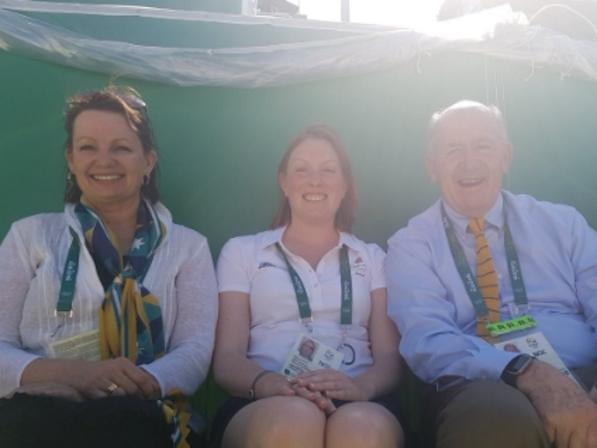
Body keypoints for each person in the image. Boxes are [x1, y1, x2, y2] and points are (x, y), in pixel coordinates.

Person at [0, 86, 218, 448]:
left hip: (146, 413)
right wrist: (75, 377)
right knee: (29, 421)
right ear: (71, 159)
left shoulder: (188, 247)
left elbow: (194, 352)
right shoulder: (29, 236)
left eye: (121, 147)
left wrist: (122, 386)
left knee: (126, 421)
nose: (104, 160)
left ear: (147, 161)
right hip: (39, 410)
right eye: (88, 147)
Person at [385, 100, 597, 448]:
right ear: (432, 167)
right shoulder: (411, 245)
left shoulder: (563, 223)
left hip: (585, 366)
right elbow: (428, 341)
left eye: (483, 146)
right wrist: (525, 370)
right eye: (453, 150)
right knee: (493, 423)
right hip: (486, 381)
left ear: (506, 157)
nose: (470, 163)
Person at [213, 125, 403, 448]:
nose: (315, 180)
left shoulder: (373, 258)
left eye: (328, 170)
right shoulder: (242, 252)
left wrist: (361, 389)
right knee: (293, 420)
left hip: (359, 398)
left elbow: (388, 359)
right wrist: (269, 384)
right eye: (302, 169)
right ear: (284, 182)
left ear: (344, 185)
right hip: (265, 398)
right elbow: (227, 359)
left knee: (361, 432)